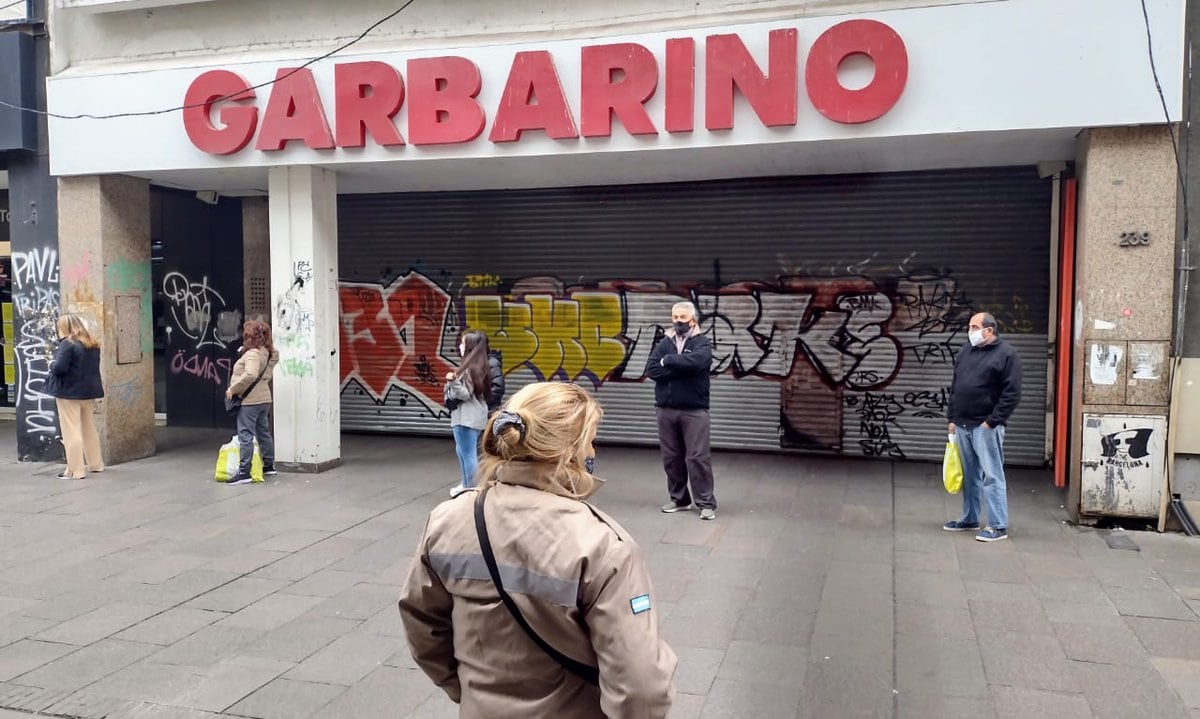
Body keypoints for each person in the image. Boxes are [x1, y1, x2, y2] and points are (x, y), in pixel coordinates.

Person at [399, 382, 677, 718]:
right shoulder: (604, 547)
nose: (593, 452)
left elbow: (423, 627)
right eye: (590, 441)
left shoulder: (447, 520)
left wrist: (466, 690)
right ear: (569, 451)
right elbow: (642, 689)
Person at [944, 312, 1022, 542]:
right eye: (970, 326)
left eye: (975, 327)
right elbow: (956, 385)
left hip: (985, 426)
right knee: (969, 475)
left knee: (992, 475)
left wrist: (992, 421)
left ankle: (998, 526)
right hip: (962, 423)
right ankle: (969, 518)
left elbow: (1012, 393)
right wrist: (952, 418)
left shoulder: (1006, 355)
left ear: (989, 330)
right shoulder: (966, 351)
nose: (971, 331)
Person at [645, 301, 717, 520]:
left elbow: (698, 363)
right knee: (671, 457)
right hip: (666, 410)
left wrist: (669, 362)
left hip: (694, 411)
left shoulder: (702, 342)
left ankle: (706, 504)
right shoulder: (664, 343)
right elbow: (652, 369)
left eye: (683, 317)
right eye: (675, 317)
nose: (678, 321)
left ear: (692, 319)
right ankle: (680, 500)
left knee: (697, 457)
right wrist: (680, 367)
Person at [46, 313, 105, 480]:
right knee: (89, 428)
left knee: (71, 430)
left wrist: (51, 363)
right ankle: (96, 464)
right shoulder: (92, 343)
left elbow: (59, 368)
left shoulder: (67, 344)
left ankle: (76, 470)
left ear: (65, 327)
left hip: (69, 392)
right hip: (88, 392)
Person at [224, 320, 279, 485]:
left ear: (250, 337)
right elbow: (265, 365)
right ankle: (269, 466)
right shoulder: (268, 353)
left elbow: (250, 374)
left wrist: (233, 389)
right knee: (263, 432)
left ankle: (244, 472)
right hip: (264, 399)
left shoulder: (253, 354)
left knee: (245, 435)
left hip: (250, 400)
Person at [445, 330, 491, 497]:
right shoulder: (479, 366)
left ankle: (472, 489)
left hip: (466, 418)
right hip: (472, 416)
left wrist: (452, 381)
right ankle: (467, 485)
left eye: (463, 343)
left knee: (468, 454)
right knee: (463, 451)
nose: (460, 346)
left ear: (470, 346)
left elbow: (465, 394)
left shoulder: (470, 368)